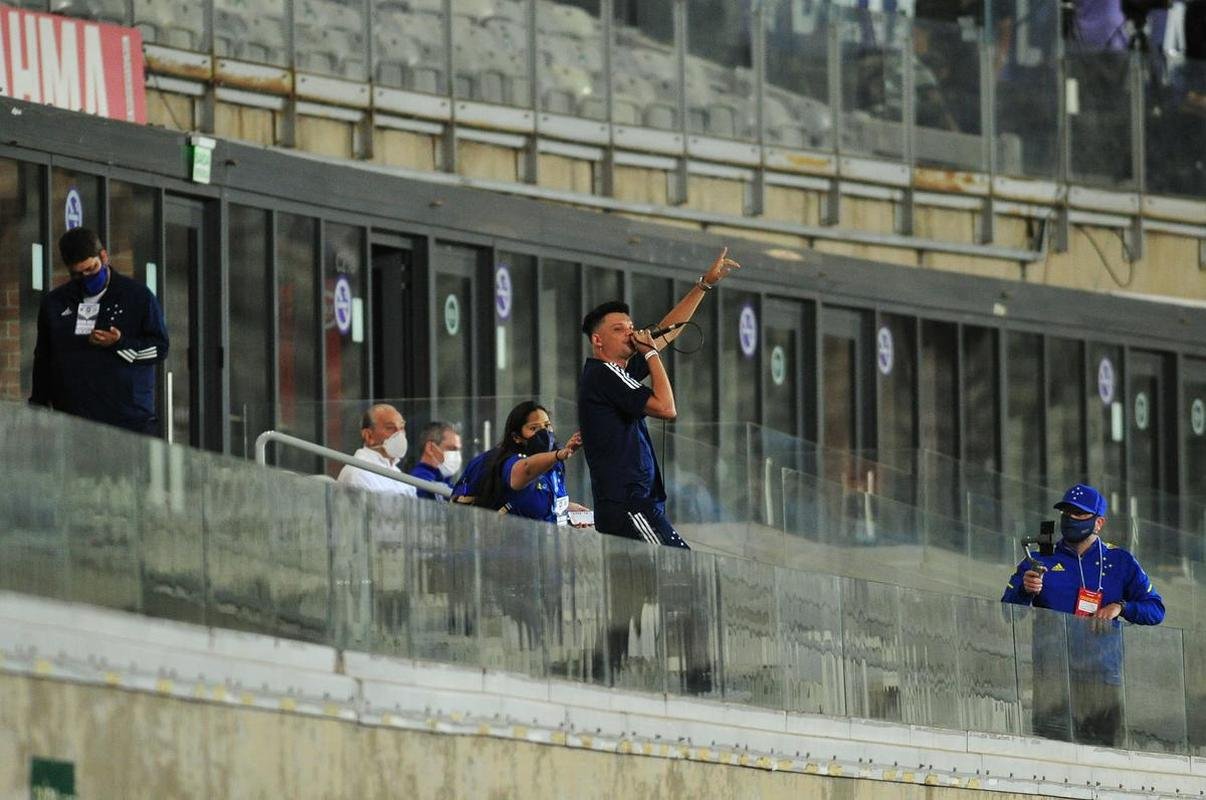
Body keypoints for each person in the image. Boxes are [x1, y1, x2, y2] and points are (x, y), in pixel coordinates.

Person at [577, 247, 740, 548]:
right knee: (679, 571)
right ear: (598, 341)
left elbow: (669, 331)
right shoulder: (604, 374)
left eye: (630, 327)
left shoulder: (620, 372)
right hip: (630, 505)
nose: (630, 333)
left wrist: (704, 285)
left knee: (646, 586)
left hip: (635, 503)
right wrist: (650, 352)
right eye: (619, 330)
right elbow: (666, 408)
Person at [1001, 483, 1165, 746]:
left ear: (1098, 523)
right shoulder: (1039, 560)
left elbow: (1156, 609)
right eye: (1066, 512)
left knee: (1103, 760)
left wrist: (1121, 607)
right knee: (1051, 756)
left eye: (1079, 514)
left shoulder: (1120, 562)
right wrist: (1024, 590)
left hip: (1101, 680)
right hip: (1052, 677)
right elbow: (1009, 612)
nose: (1070, 519)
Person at [29, 227, 169, 434]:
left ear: (104, 257)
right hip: (73, 423)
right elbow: (43, 359)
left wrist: (119, 344)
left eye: (91, 269)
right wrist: (38, 406)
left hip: (127, 423)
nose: (85, 277)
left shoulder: (137, 297)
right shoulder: (55, 303)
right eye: (77, 273)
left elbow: (160, 348)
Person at [474, 401, 589, 526]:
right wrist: (560, 454)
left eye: (547, 425)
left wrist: (568, 512)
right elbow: (527, 469)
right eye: (534, 428)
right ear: (516, 437)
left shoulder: (555, 464)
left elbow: (537, 502)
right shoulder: (511, 462)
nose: (544, 433)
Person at [337, 404, 416, 497]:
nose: (399, 434)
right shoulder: (357, 473)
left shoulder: (397, 472)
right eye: (390, 428)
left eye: (402, 428)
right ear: (368, 436)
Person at [409, 421, 462, 500]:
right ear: (430, 448)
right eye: (451, 449)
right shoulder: (418, 480)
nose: (456, 454)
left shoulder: (445, 481)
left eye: (457, 450)